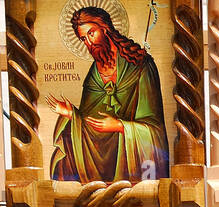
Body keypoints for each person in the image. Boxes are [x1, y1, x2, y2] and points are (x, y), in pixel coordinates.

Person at [47, 6, 169, 183]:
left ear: (105, 29)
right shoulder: (94, 76)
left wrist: (120, 126)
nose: (89, 43)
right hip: (97, 159)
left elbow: (154, 129)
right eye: (83, 38)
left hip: (130, 161)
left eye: (91, 33)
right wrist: (72, 115)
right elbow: (90, 124)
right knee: (67, 142)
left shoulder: (141, 66)